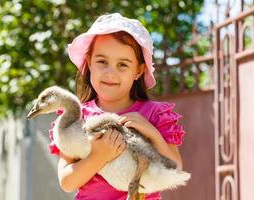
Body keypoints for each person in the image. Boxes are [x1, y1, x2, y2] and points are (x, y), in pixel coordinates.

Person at [48, 13, 185, 200]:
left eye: (122, 65)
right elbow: (66, 181)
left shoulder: (154, 115)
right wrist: (98, 156)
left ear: (138, 70)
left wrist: (151, 132)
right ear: (89, 63)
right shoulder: (76, 117)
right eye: (102, 62)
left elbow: (175, 169)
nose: (110, 73)